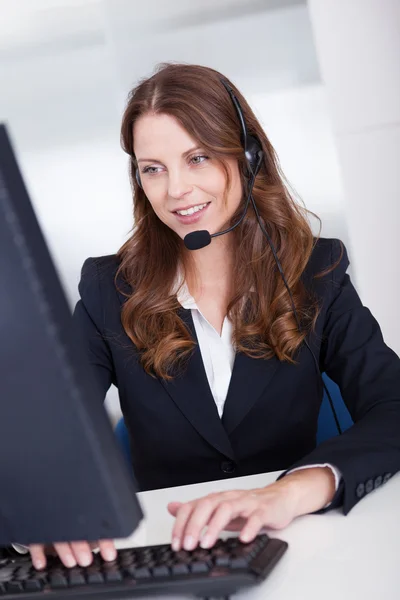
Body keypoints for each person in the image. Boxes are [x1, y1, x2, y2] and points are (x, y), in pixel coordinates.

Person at [28, 63, 400, 570]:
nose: (175, 189)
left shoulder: (316, 272)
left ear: (246, 158)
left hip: (302, 548)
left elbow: (394, 406)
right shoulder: (108, 289)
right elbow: (43, 433)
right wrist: (42, 517)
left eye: (197, 157)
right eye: (152, 168)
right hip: (166, 556)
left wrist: (291, 491)